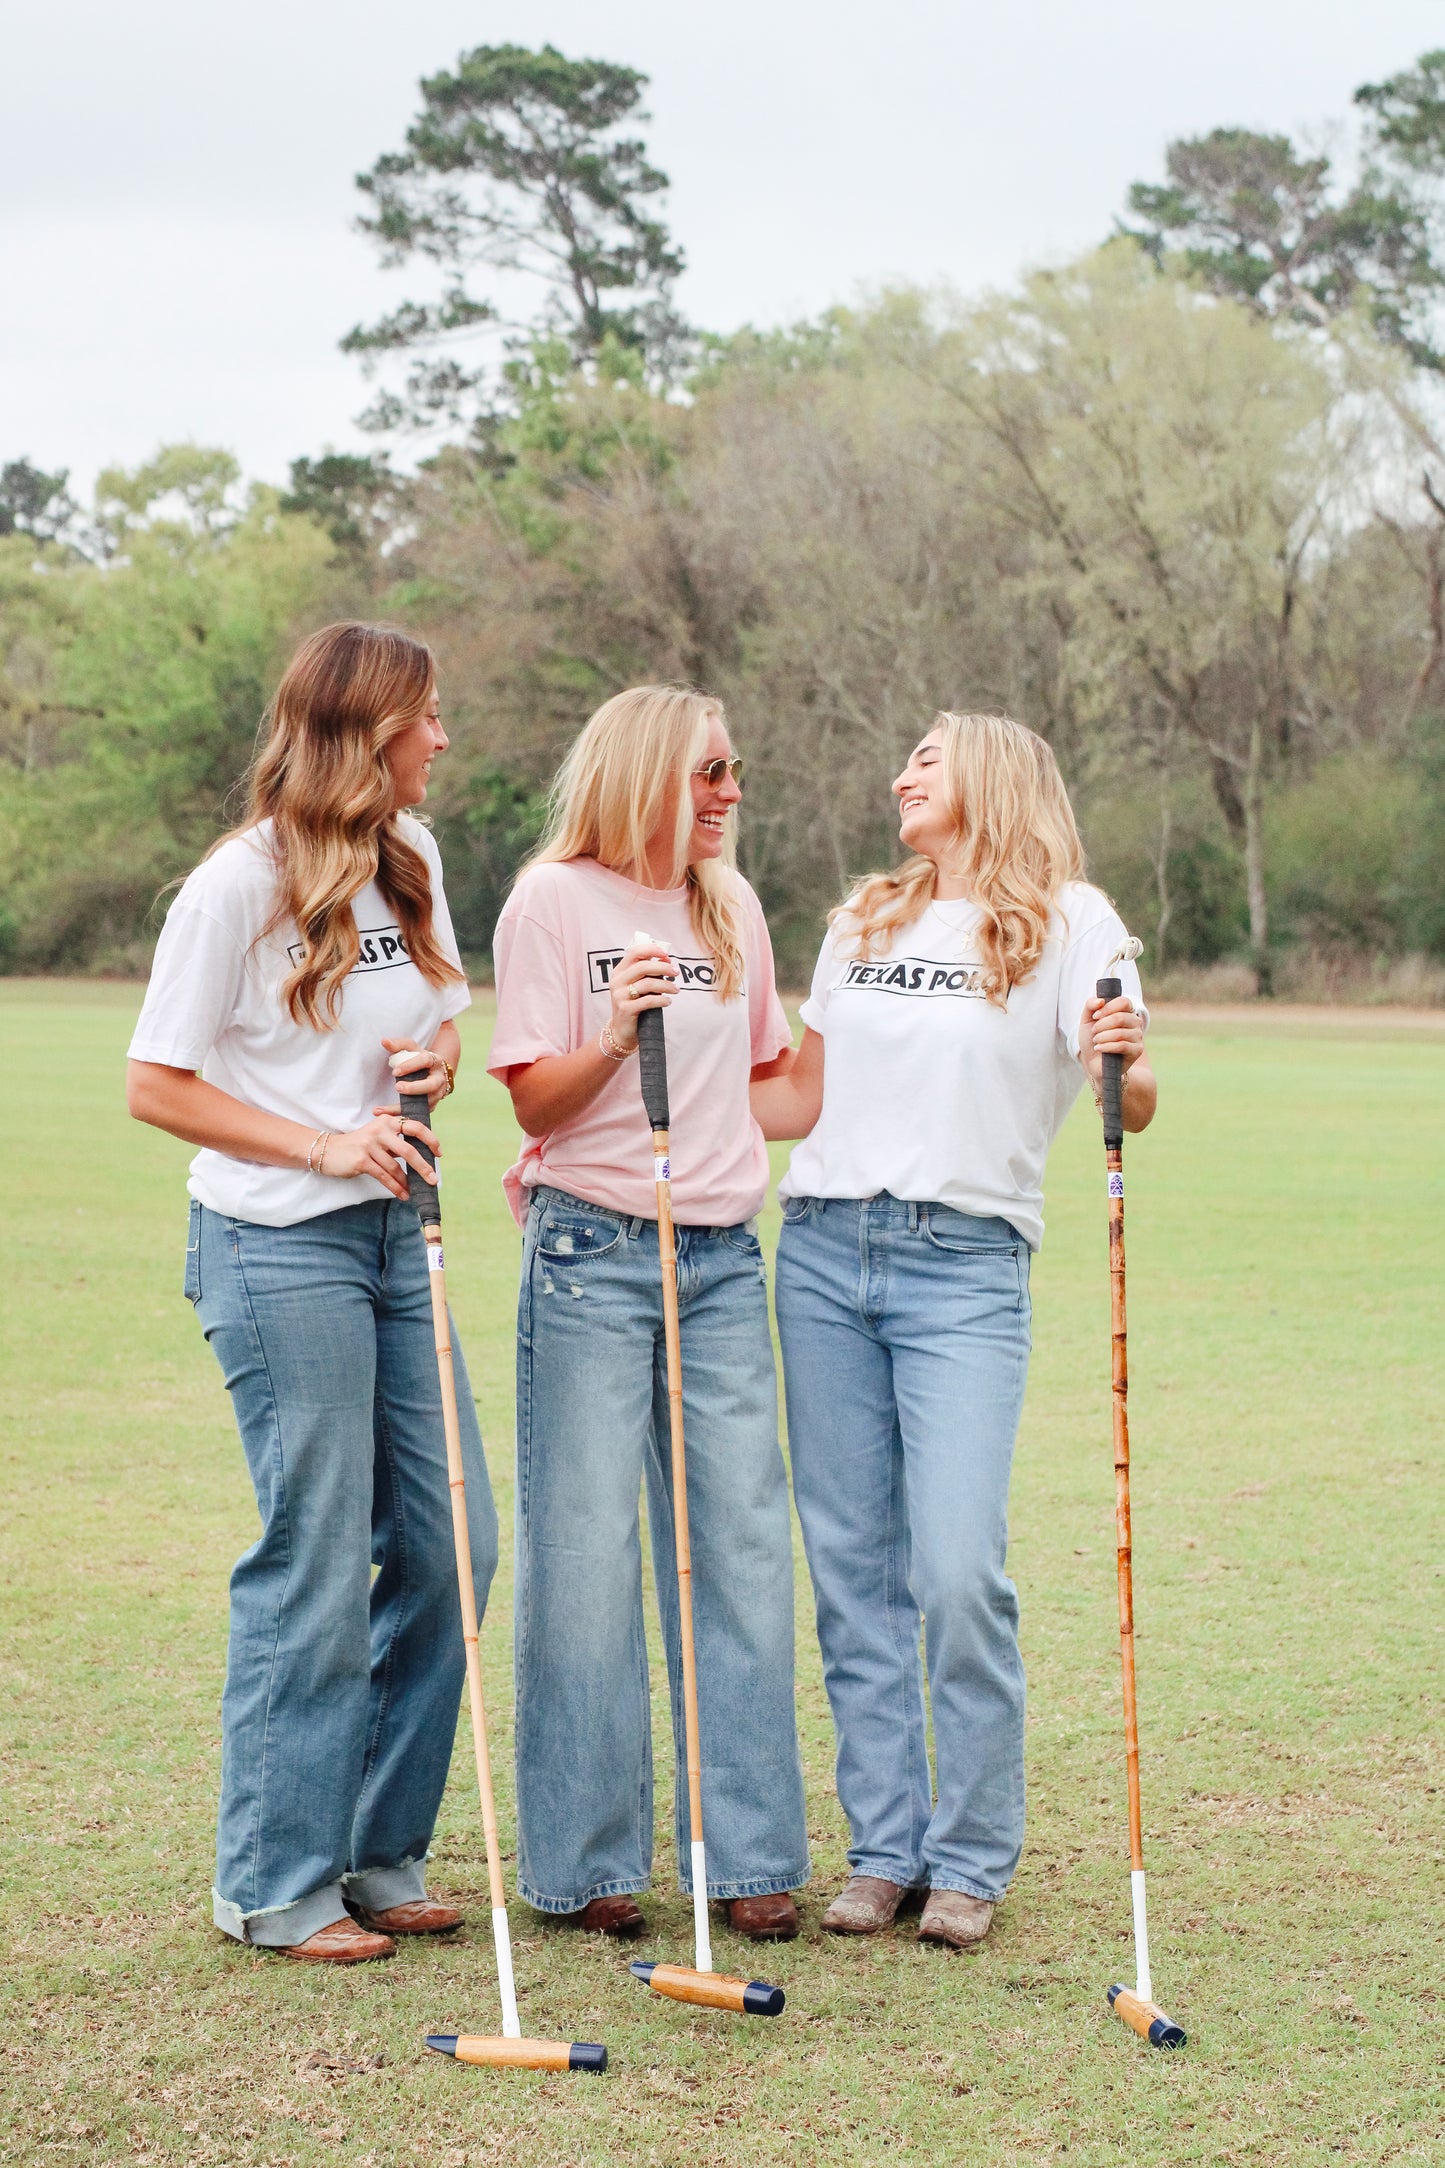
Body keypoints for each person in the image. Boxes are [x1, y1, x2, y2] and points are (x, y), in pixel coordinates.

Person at [752, 710, 1154, 1950]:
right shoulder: (859, 918)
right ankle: (884, 1849)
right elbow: (800, 1094)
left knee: (956, 1568)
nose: (899, 778)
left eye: (922, 761)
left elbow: (1128, 1095)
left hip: (965, 1264)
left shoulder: (1072, 918)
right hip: (820, 1251)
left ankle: (970, 1854)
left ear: (986, 774)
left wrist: (1122, 1059)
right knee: (853, 1574)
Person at [126, 622, 496, 1966]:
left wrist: (435, 1063)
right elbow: (156, 1083)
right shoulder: (235, 885)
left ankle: (376, 1849)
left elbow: (443, 1015)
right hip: (278, 1248)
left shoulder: (415, 857)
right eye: (426, 719)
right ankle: (275, 1884)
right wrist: (327, 1141)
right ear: (362, 733)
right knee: (321, 1558)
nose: (443, 740)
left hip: (398, 1237)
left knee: (457, 1546)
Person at [488, 684, 809, 1941]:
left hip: (723, 1258)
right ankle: (587, 1858)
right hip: (590, 1251)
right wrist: (620, 1033)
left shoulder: (729, 904)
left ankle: (749, 1857)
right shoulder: (550, 902)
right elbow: (532, 1103)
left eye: (735, 767)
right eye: (709, 770)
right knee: (581, 1555)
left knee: (736, 1549)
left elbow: (774, 1083)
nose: (731, 789)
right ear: (642, 775)